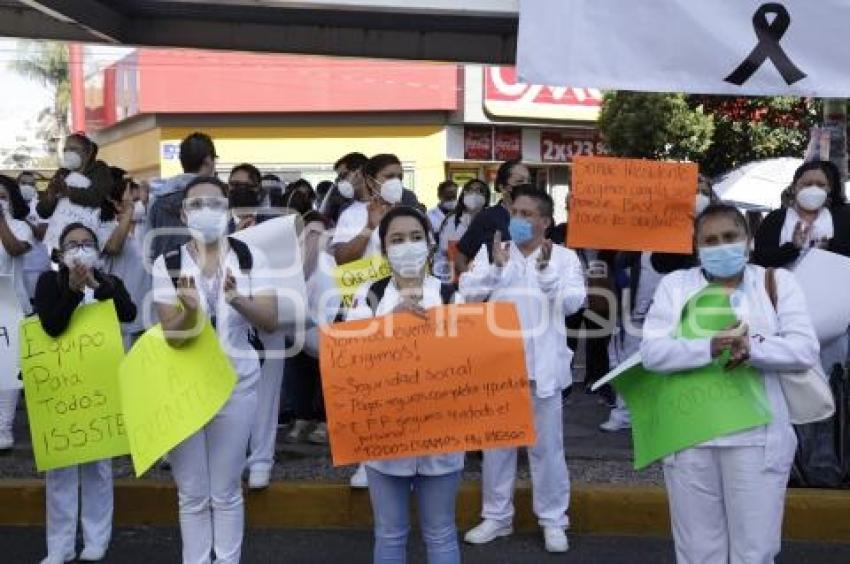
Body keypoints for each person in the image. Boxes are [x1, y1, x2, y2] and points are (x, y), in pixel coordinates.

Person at [641, 204, 819, 564]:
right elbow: (652, 352)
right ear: (697, 247)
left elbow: (805, 349)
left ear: (748, 241)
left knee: (754, 551)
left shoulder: (776, 283)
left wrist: (751, 348)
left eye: (729, 237)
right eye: (710, 240)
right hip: (690, 436)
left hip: (756, 437)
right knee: (697, 551)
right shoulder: (676, 286)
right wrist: (708, 346)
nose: (721, 246)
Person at [153, 176, 277, 563]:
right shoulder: (168, 263)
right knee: (192, 492)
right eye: (197, 204)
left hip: (235, 386)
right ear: (184, 212)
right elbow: (172, 337)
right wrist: (189, 310)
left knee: (225, 491)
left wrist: (237, 298)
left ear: (227, 208)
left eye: (214, 203)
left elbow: (270, 320)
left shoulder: (250, 257)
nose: (206, 211)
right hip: (184, 389)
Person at [459, 185, 586, 554]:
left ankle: (553, 520)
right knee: (497, 448)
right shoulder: (494, 252)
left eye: (528, 214)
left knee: (547, 451)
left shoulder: (564, 257)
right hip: (500, 369)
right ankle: (497, 517)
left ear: (545, 221)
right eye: (515, 212)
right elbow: (467, 292)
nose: (519, 220)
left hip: (543, 372)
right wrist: (495, 270)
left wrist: (546, 272)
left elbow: (573, 303)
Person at [347, 205, 463, 564]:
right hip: (385, 438)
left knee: (441, 533)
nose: (407, 245)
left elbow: (468, 365)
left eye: (415, 237)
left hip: (440, 436)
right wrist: (389, 327)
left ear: (430, 244)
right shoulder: (368, 297)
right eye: (397, 239)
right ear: (384, 249)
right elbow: (348, 363)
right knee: (390, 533)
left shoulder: (449, 296)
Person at [34, 222, 137, 564]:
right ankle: (59, 546)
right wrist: (75, 291)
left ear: (97, 249)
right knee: (61, 471)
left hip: (101, 387)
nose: (79, 248)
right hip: (62, 387)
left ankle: (96, 540)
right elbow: (51, 325)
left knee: (98, 467)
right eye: (72, 244)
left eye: (86, 243)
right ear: (61, 253)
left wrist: (97, 286)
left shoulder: (110, 282)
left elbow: (129, 312)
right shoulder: (50, 282)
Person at [753, 160, 850, 372]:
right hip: (779, 309)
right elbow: (759, 260)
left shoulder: (843, 218)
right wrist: (792, 247)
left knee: (829, 373)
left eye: (820, 184)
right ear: (795, 186)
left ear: (830, 189)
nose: (813, 188)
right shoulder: (776, 219)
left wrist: (829, 247)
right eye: (807, 184)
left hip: (832, 314)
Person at [283, 181, 331, 445]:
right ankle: (303, 415)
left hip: (316, 299)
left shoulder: (313, 223)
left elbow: (306, 264)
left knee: (320, 361)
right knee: (301, 359)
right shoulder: (296, 225)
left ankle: (321, 418)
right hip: (304, 300)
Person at [0, 175, 34, 450]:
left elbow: (14, 250)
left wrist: (0, 221)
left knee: (8, 370)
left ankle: (4, 430)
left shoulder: (21, 227)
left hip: (11, 305)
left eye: (2, 196)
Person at [147, 132, 218, 262]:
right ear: (208, 161)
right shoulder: (216, 200)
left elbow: (149, 251)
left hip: (165, 278)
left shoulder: (157, 201)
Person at [98, 176, 151, 349]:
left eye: (139, 200)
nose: (138, 205)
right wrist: (128, 213)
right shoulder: (105, 227)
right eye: (133, 201)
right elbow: (114, 247)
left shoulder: (147, 225)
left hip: (150, 313)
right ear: (115, 202)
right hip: (123, 316)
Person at [39, 133, 113, 253]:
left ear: (87, 153)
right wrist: (50, 198)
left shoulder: (99, 170)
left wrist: (68, 191)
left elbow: (96, 197)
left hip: (88, 241)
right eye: (65, 150)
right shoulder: (61, 174)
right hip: (62, 244)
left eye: (73, 149)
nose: (68, 153)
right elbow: (42, 212)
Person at [454, 159, 530, 275]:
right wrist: (475, 283)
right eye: (520, 182)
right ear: (503, 187)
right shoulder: (487, 218)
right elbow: (460, 259)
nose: (526, 186)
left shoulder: (538, 217)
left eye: (529, 181)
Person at [432, 179, 489, 283]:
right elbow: (442, 253)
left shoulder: (491, 220)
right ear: (463, 194)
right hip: (453, 281)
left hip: (483, 282)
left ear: (486, 197)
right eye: (470, 190)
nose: (474, 194)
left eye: (480, 191)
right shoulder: (451, 220)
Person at [228, 163, 265, 230]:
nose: (242, 189)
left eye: (248, 185)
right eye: (236, 184)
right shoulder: (217, 225)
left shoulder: (274, 223)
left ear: (259, 190)